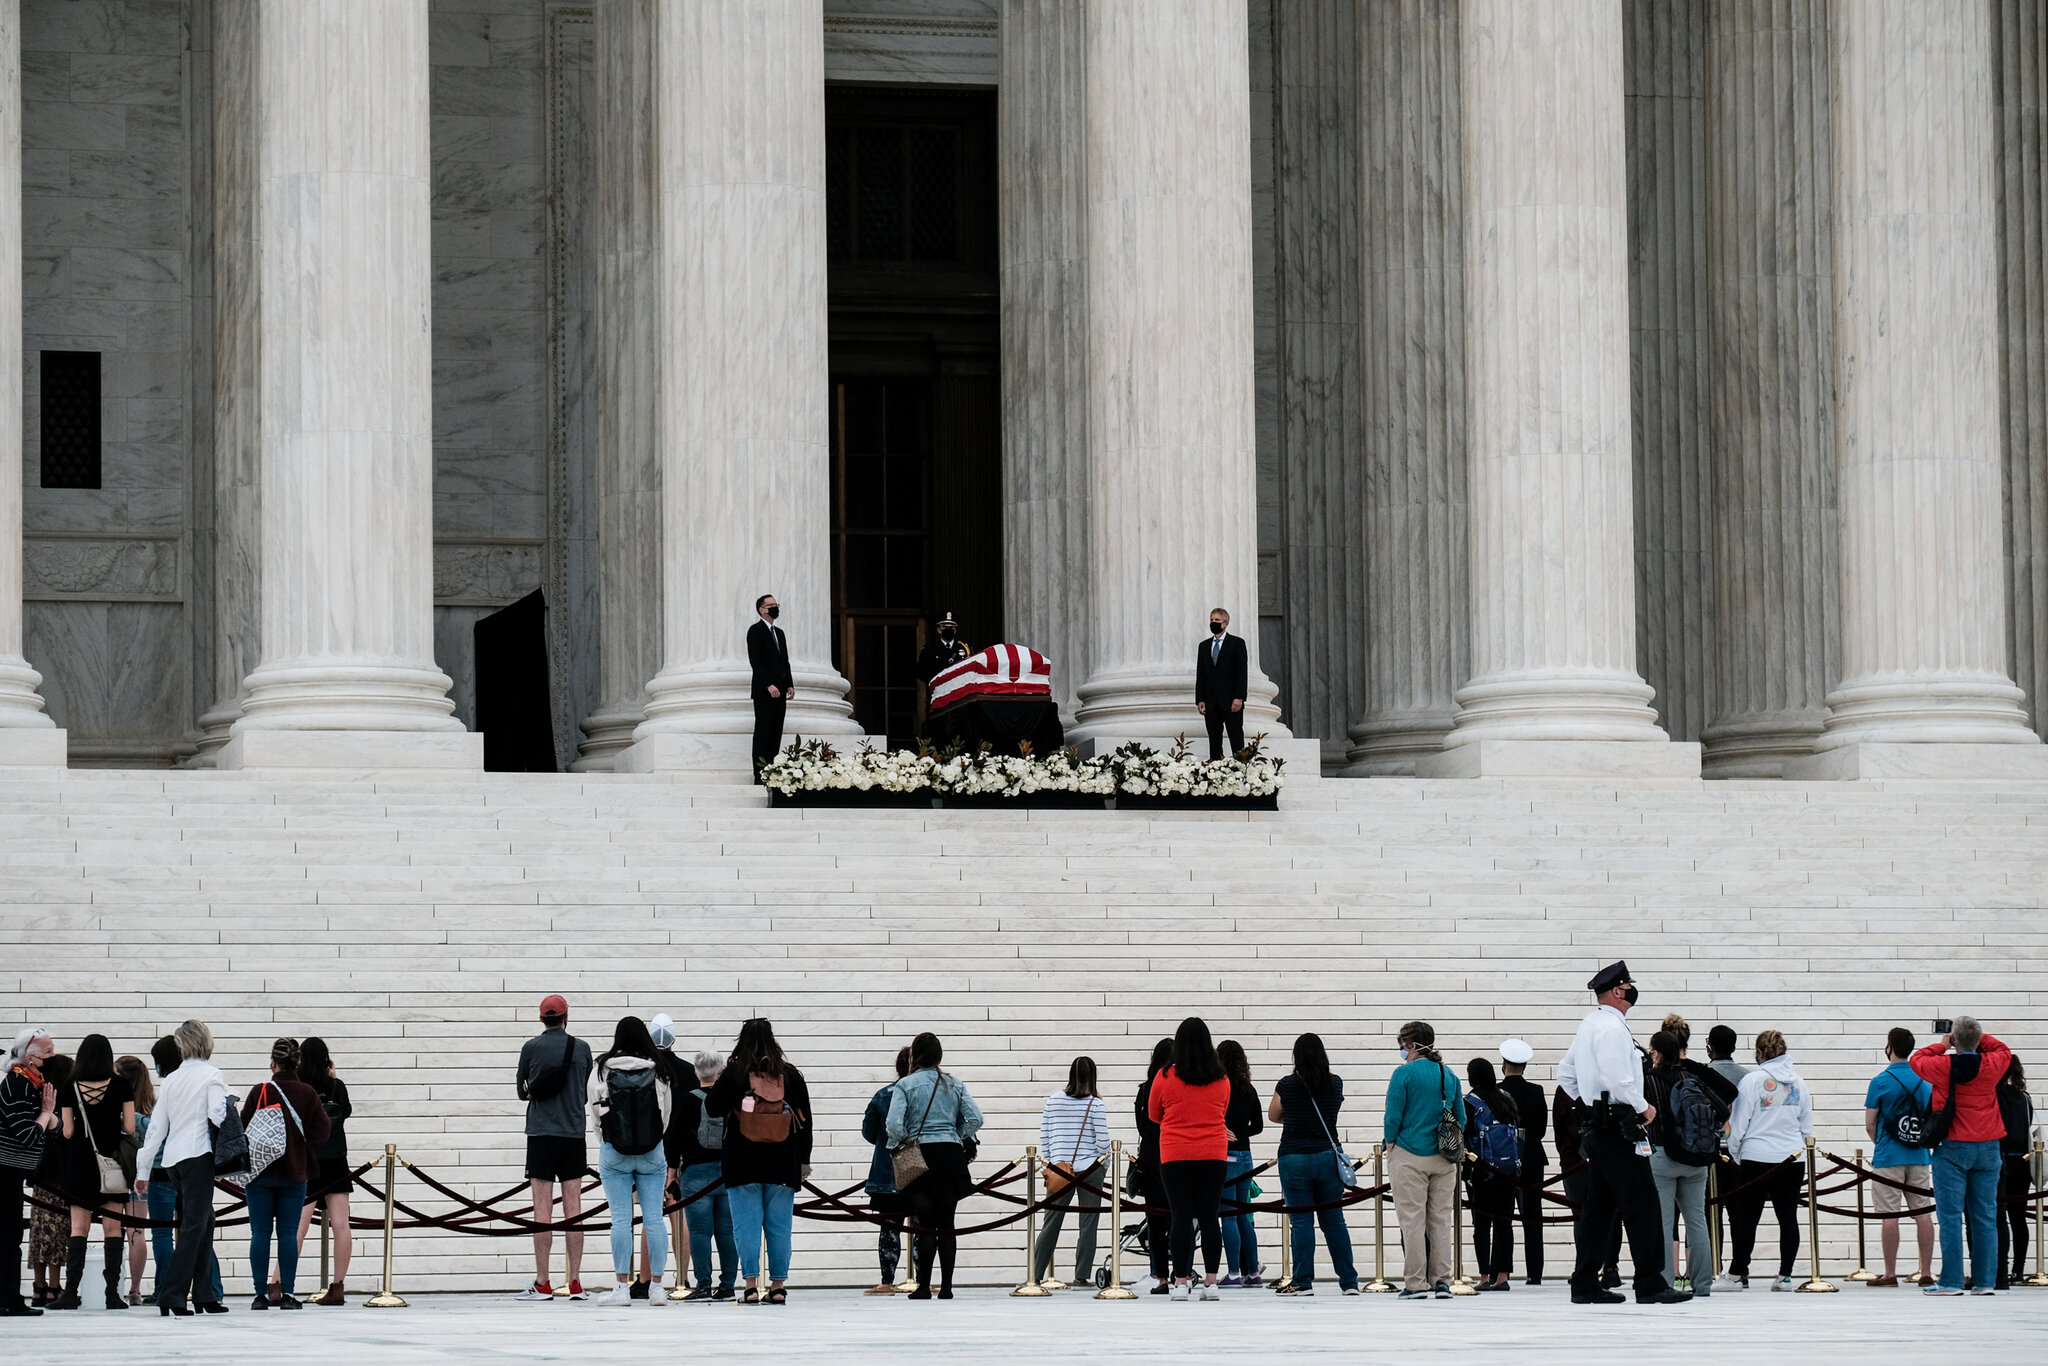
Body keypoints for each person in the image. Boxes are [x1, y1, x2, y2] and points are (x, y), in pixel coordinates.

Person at [1555, 962, 1690, 1306]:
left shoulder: (1589, 1025)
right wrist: (1643, 1107)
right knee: (1643, 1204)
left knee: (1599, 1209)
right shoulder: (1613, 1029)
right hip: (1618, 1125)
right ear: (1618, 990)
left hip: (1598, 1126)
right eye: (1628, 985)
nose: (1632, 990)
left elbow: (1565, 1074)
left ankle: (1585, 1282)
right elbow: (1619, 1080)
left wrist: (1589, 1103)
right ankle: (1650, 1283)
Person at [704, 1017, 813, 1305]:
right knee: (780, 1227)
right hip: (783, 1163)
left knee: (746, 1226)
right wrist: (804, 1160)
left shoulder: (735, 1074)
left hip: (742, 1162)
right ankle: (777, 1287)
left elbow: (711, 1106)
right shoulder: (790, 1075)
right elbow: (806, 1121)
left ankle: (751, 1287)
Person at [134, 1019, 232, 1316]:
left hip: (173, 1161)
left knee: (205, 1221)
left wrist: (143, 1171)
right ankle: (173, 1295)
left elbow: (156, 1129)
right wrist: (229, 1100)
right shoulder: (212, 1075)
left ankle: (204, 1295)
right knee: (193, 1226)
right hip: (198, 1155)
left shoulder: (172, 1080)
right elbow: (218, 1115)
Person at [1911, 1017, 2012, 1295]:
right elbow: (2003, 1049)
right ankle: (1985, 1282)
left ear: (1954, 1038)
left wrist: (1943, 1044)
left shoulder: (1942, 1066)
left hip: (1953, 1146)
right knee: (1985, 1217)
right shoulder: (1992, 1064)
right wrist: (1977, 1037)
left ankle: (1951, 1281)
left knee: (1951, 1217)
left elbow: (1916, 1060)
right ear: (1978, 1040)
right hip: (1988, 1145)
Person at [886, 1032, 984, 1299]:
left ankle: (923, 1287)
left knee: (926, 1224)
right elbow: (976, 1118)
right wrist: (957, 1134)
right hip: (951, 1155)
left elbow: (893, 1124)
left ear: (915, 1056)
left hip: (921, 1154)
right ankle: (947, 1287)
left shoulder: (906, 1084)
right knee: (947, 1223)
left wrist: (902, 1140)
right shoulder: (954, 1084)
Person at [239, 1037, 331, 1310]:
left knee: (260, 1233)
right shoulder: (307, 1093)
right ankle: (288, 1293)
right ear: (296, 1063)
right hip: (295, 1172)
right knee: (289, 1234)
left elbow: (243, 1128)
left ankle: (260, 1294)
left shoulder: (260, 1091)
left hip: (259, 1173)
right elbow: (322, 1132)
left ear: (273, 1063)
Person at [588, 1016, 673, 1306]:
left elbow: (594, 1112)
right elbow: (665, 1114)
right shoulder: (658, 1068)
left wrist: (607, 1140)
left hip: (615, 1150)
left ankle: (621, 1288)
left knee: (621, 1220)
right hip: (652, 1151)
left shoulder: (602, 1067)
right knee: (654, 1218)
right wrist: (653, 1139)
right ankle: (657, 1288)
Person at [1644, 1029, 1736, 1297]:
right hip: (1696, 1157)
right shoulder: (1693, 1077)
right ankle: (1703, 1283)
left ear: (1657, 1054)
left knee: (1664, 1222)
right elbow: (1726, 1099)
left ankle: (1665, 1283)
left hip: (1662, 1155)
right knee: (1697, 1221)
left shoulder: (1648, 1080)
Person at [515, 993, 593, 1302]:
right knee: (574, 1208)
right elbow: (585, 1091)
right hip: (573, 1133)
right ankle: (575, 1282)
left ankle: (543, 1281)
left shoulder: (531, 1048)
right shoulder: (582, 1048)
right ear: (566, 1017)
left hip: (541, 1134)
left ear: (541, 1018)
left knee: (542, 1209)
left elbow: (521, 1091)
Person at [1722, 1028, 1812, 1291]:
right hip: (1791, 1158)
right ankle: (1785, 1276)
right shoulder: (1798, 1082)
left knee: (1747, 1219)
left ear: (1759, 1053)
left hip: (1756, 1156)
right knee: (1788, 1217)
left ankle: (1736, 1274)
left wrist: (1736, 1152)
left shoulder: (1751, 1081)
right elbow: (1806, 1125)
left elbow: (1739, 1123)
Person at [1147, 1016, 1230, 1301]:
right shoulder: (1221, 1077)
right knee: (1209, 1217)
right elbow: (1223, 1109)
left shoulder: (1164, 1076)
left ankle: (1180, 1282)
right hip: (1213, 1151)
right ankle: (1211, 1281)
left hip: (1175, 1152)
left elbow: (1154, 1114)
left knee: (1180, 1216)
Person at [1268, 1031, 1357, 1296]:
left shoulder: (1286, 1084)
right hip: (1328, 1156)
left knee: (1301, 1221)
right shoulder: (1335, 1083)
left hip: (1294, 1156)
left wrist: (1294, 1117)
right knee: (1334, 1221)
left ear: (1296, 1056)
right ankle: (1349, 1282)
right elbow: (1331, 1113)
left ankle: (1303, 1281)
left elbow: (1273, 1115)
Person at [57, 1032, 136, 1310]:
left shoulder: (69, 1086)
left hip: (80, 1165)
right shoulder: (122, 1085)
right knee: (113, 1228)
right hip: (111, 1165)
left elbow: (67, 1132)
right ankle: (112, 1294)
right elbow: (130, 1128)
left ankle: (70, 1293)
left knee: (79, 1228)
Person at [1384, 1022, 1463, 1299]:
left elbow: (1393, 1115)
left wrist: (1390, 1143)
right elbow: (1461, 1117)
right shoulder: (1449, 1074)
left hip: (1409, 1154)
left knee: (1412, 1222)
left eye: (1402, 1045)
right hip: (1443, 1157)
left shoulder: (1403, 1074)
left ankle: (1416, 1283)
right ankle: (1442, 1281)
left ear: (1412, 1045)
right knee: (1440, 1221)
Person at [1863, 1027, 1936, 1287]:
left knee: (1889, 1215)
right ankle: (1926, 1272)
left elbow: (1870, 1123)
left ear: (1890, 1047)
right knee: (1923, 1212)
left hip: (1888, 1155)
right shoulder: (1925, 1080)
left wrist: (1881, 1142)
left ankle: (1890, 1272)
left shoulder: (1880, 1081)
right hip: (1919, 1154)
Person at [1034, 1055, 1111, 1289]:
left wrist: (1052, 1163)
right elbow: (1103, 1142)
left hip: (1059, 1169)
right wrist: (1104, 1164)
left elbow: (1045, 1136)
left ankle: (1035, 1275)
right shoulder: (1096, 1104)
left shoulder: (1053, 1100)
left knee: (1051, 1222)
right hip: (1090, 1169)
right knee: (1088, 1224)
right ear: (1093, 1077)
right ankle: (1081, 1276)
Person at [1, 1028, 62, 1318]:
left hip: (14, 1171)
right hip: (5, 1171)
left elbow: (56, 1128)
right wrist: (46, 1112)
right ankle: (8, 1300)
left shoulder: (32, 1083)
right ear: (29, 1057)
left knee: (10, 1235)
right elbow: (28, 1134)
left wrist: (48, 1116)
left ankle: (9, 1298)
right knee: (8, 1237)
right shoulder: (17, 1084)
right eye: (47, 1052)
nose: (53, 1056)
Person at [290, 1037, 354, 1306]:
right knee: (341, 1225)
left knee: (298, 1227)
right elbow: (345, 1112)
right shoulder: (336, 1086)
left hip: (308, 1161)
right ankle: (337, 1287)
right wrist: (334, 1079)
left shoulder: (299, 1087)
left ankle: (280, 1284)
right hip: (336, 1160)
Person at [673, 1048, 737, 1302]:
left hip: (695, 1173)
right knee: (727, 1232)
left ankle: (703, 1286)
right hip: (727, 1172)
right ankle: (728, 1286)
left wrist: (671, 1172)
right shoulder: (730, 1100)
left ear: (697, 1072)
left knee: (699, 1232)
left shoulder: (687, 1100)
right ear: (720, 1071)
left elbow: (674, 1138)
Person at [1463, 1057, 1521, 1291]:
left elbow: (1464, 1136)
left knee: (1482, 1225)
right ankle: (1503, 1276)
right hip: (1508, 1170)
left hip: (1481, 1171)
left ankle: (1485, 1277)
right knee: (1505, 1223)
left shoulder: (1469, 1102)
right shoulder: (1506, 1098)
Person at [862, 1046, 914, 1294]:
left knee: (890, 1227)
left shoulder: (883, 1095)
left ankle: (887, 1281)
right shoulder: (929, 1095)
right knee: (922, 1226)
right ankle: (922, 1279)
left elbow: (869, 1132)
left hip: (887, 1166)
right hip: (919, 1166)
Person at [1497, 1039, 1548, 1285]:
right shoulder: (1537, 1091)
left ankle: (1501, 1272)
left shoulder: (1496, 1092)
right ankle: (1534, 1273)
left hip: (1504, 1159)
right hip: (1532, 1156)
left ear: (1503, 1065)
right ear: (1524, 1066)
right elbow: (1541, 1129)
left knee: (1502, 1217)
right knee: (1533, 1217)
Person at [1214, 1040, 1264, 1287]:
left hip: (1226, 1155)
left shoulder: (1218, 1088)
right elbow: (1259, 1126)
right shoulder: (1249, 1089)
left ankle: (1233, 1272)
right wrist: (1242, 1133)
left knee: (1229, 1216)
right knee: (1244, 1214)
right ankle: (1253, 1273)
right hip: (1246, 1155)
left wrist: (1226, 1132)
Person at [1131, 1038, 1175, 1293]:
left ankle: (1160, 1276)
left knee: (1155, 1221)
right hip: (1174, 1154)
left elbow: (1142, 1125)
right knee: (1180, 1217)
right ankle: (1182, 1271)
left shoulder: (1145, 1089)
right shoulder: (1179, 1086)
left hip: (1150, 1158)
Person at [28, 1052, 71, 1308]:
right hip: (61, 1178)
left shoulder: (38, 1100)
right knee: (56, 1233)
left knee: (38, 1232)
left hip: (39, 1175)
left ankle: (38, 1288)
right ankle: (54, 1287)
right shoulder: (67, 1102)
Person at [113, 1055, 153, 1304]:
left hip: (116, 1173)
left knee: (113, 1230)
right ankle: (135, 1289)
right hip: (143, 1175)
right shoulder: (152, 1109)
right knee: (137, 1231)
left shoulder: (117, 1108)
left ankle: (112, 1285)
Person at [1996, 1055, 2036, 1290]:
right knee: (2018, 1218)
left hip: (2001, 1161)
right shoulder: (2024, 1097)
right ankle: (2018, 1269)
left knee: (1998, 1217)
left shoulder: (1994, 1095)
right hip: (2022, 1161)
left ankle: (1999, 1266)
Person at [1194, 608, 1249, 761]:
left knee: (1236, 737)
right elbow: (1201, 674)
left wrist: (1239, 697)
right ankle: (1215, 768)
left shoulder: (1237, 643)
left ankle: (1241, 766)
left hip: (1231, 701)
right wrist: (1200, 699)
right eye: (1212, 620)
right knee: (1214, 739)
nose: (1213, 623)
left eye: (1217, 620)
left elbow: (1241, 673)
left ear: (1225, 623)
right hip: (1211, 702)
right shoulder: (1204, 646)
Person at [748, 594, 793, 779]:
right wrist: (769, 684)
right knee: (763, 732)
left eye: (777, 604)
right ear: (762, 610)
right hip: (764, 691)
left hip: (780, 691)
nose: (776, 608)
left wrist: (789, 684)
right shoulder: (755, 631)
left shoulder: (779, 633)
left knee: (776, 732)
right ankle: (759, 774)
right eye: (772, 605)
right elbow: (756, 662)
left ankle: (772, 771)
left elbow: (785, 661)